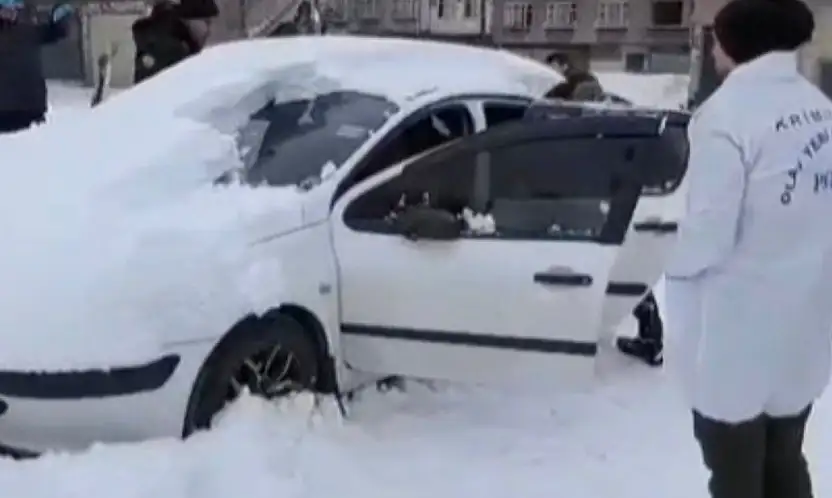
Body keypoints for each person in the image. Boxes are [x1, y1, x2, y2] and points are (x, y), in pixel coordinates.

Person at [663, 0, 832, 496]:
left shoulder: (725, 117)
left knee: (734, 475)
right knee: (784, 460)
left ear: (736, 44)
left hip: (738, 340)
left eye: (715, 37)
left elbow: (708, 239)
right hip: (804, 331)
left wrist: (654, 254)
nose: (713, 48)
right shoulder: (823, 112)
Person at [544, 70, 666, 367]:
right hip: (616, 201)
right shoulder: (615, 112)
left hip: (590, 203)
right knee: (623, 266)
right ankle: (651, 337)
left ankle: (573, 331)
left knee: (591, 267)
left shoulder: (577, 118)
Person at [0, 0, 73, 133]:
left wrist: (62, 15)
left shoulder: (27, 31)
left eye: (15, 8)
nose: (12, 12)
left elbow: (55, 31)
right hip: (4, 113)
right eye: (7, 9)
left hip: (31, 109)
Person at [132, 0, 218, 84]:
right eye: (207, 22)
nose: (209, 31)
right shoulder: (171, 51)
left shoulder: (168, 42)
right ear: (189, 21)